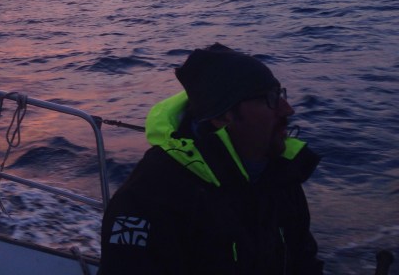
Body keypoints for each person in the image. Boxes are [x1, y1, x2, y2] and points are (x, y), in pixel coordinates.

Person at [98, 43, 323, 275]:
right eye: (270, 98)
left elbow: (305, 262)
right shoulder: (146, 200)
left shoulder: (280, 177)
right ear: (223, 116)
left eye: (280, 93)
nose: (287, 109)